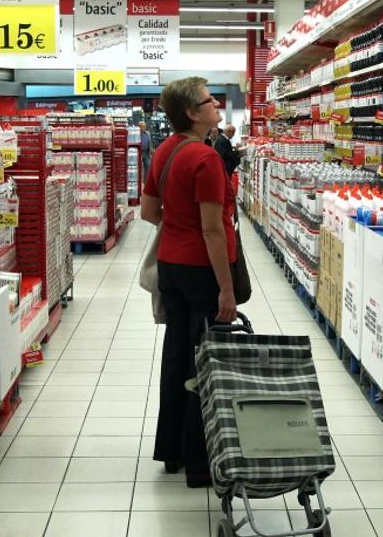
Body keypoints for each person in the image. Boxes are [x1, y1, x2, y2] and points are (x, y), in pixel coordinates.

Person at [140, 77, 237, 488]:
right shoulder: (205, 158)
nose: (216, 105)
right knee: (205, 360)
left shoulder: (165, 150)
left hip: (170, 266)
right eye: (209, 101)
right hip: (201, 271)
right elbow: (212, 230)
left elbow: (148, 211)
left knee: (177, 354)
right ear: (192, 113)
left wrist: (178, 225)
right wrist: (226, 290)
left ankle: (173, 450)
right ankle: (200, 462)